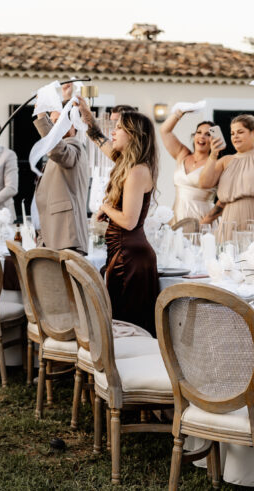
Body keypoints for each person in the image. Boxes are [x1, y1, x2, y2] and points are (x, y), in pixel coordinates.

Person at [79, 99, 160, 335]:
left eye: (119, 128)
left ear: (133, 135)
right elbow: (98, 138)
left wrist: (106, 207)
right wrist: (87, 115)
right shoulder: (128, 164)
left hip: (130, 257)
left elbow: (128, 221)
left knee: (127, 324)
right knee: (122, 320)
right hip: (123, 250)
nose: (112, 132)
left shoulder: (137, 171)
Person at [199, 75, 254, 236]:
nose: (235, 136)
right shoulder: (225, 161)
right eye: (232, 133)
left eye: (240, 132)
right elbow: (204, 183)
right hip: (230, 222)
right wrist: (213, 155)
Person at [33, 85, 90, 252]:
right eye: (52, 123)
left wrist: (41, 116)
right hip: (52, 236)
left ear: (73, 125)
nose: (54, 127)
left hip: (66, 237)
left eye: (59, 122)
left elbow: (59, 151)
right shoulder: (56, 149)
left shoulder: (74, 145)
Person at [159, 110, 216, 224]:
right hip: (177, 217)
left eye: (208, 134)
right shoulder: (183, 154)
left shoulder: (216, 163)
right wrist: (180, 112)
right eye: (198, 132)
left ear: (214, 140)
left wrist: (205, 222)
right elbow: (164, 131)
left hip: (202, 219)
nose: (202, 137)